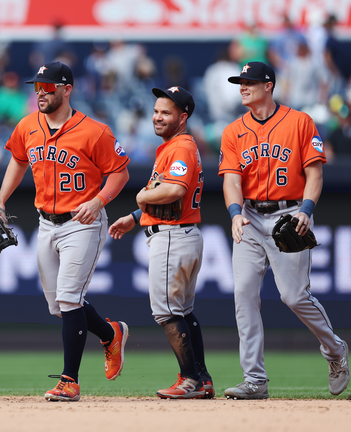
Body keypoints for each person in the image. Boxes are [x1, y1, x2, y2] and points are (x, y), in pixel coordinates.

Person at [0, 61, 131, 402]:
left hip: (82, 223)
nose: (40, 94)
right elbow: (19, 161)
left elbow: (120, 174)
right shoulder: (27, 126)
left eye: (48, 88)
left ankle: (70, 380)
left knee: (69, 299)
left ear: (67, 90)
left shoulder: (95, 131)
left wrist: (98, 201)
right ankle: (110, 333)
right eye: (37, 88)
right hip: (45, 222)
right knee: (59, 306)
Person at [218, 61, 350, 399]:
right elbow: (232, 180)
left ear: (268, 86)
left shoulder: (299, 122)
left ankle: (335, 351)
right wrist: (234, 213)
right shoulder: (233, 130)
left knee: (293, 296)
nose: (242, 87)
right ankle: (255, 380)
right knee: (244, 296)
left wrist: (307, 210)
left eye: (249, 81)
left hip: (289, 213)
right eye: (240, 82)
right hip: (248, 216)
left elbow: (315, 175)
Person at [108, 86, 213, 399]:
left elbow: (174, 190)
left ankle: (190, 380)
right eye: (156, 111)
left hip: (172, 236)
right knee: (182, 311)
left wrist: (140, 198)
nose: (157, 117)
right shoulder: (175, 146)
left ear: (183, 117)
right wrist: (135, 215)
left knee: (166, 312)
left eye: (166, 112)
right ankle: (202, 378)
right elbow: (168, 197)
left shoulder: (179, 147)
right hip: (182, 232)